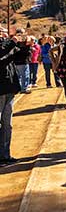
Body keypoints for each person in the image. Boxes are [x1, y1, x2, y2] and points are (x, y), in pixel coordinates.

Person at [0, 27, 21, 165]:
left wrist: (23, 46)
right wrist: (11, 42)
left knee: (7, 125)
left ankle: (5, 155)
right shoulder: (5, 45)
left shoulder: (6, 45)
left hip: (9, 88)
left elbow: (19, 58)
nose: (3, 34)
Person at [12, 30, 31, 94]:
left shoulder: (14, 42)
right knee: (25, 75)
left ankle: (19, 88)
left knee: (18, 76)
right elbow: (28, 41)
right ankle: (23, 88)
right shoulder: (25, 42)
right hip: (23, 61)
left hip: (16, 62)